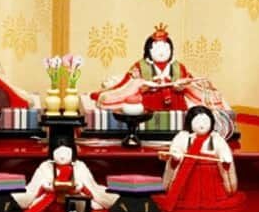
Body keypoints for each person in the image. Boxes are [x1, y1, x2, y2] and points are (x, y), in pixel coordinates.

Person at [90, 23, 235, 138]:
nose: (162, 52)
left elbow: (188, 81)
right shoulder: (140, 66)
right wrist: (145, 84)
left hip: (175, 100)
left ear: (171, 50)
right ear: (148, 50)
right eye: (157, 48)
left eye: (166, 48)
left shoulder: (178, 66)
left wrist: (180, 85)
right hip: (150, 98)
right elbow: (130, 82)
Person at [159, 106, 243, 211]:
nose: (202, 125)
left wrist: (225, 158)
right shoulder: (183, 137)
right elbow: (176, 149)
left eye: (205, 121)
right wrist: (176, 156)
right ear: (190, 122)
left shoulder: (216, 138)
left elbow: (223, 151)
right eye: (198, 121)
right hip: (189, 172)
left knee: (212, 191)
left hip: (211, 173)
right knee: (189, 192)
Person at [12, 137, 118, 212]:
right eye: (58, 152)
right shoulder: (46, 166)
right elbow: (35, 187)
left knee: (93, 197)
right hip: (49, 202)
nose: (62, 156)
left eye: (66, 152)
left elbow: (89, 186)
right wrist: (48, 186)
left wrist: (78, 187)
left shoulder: (79, 165)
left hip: (75, 202)